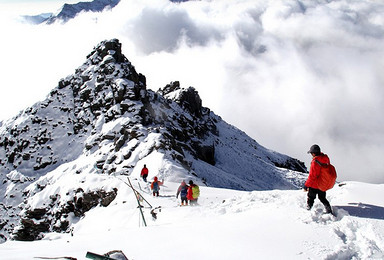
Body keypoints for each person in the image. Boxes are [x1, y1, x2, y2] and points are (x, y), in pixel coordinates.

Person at [304, 144, 333, 214]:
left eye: (311, 153)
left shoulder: (315, 162)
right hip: (322, 183)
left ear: (314, 153)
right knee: (322, 198)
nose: (311, 154)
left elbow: (312, 176)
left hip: (315, 184)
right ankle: (329, 210)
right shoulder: (325, 159)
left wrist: (306, 185)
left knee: (311, 197)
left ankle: (308, 208)